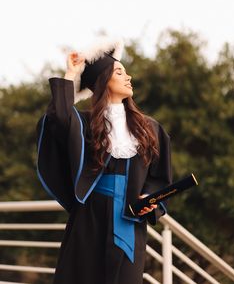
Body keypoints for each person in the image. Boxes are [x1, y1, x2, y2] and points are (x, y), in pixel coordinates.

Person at [36, 37, 172, 284]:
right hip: (88, 221)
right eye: (120, 72)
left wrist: (150, 200)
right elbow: (58, 118)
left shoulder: (150, 128)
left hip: (129, 222)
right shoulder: (84, 123)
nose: (128, 77)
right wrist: (71, 73)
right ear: (103, 81)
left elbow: (158, 178)